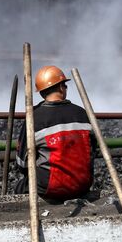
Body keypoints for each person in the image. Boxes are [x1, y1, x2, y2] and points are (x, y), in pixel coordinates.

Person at [15, 65, 96, 202]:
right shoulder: (82, 113)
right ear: (60, 87)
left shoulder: (34, 118)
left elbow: (22, 163)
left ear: (41, 92)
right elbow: (93, 152)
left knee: (20, 188)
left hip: (49, 188)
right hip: (83, 185)